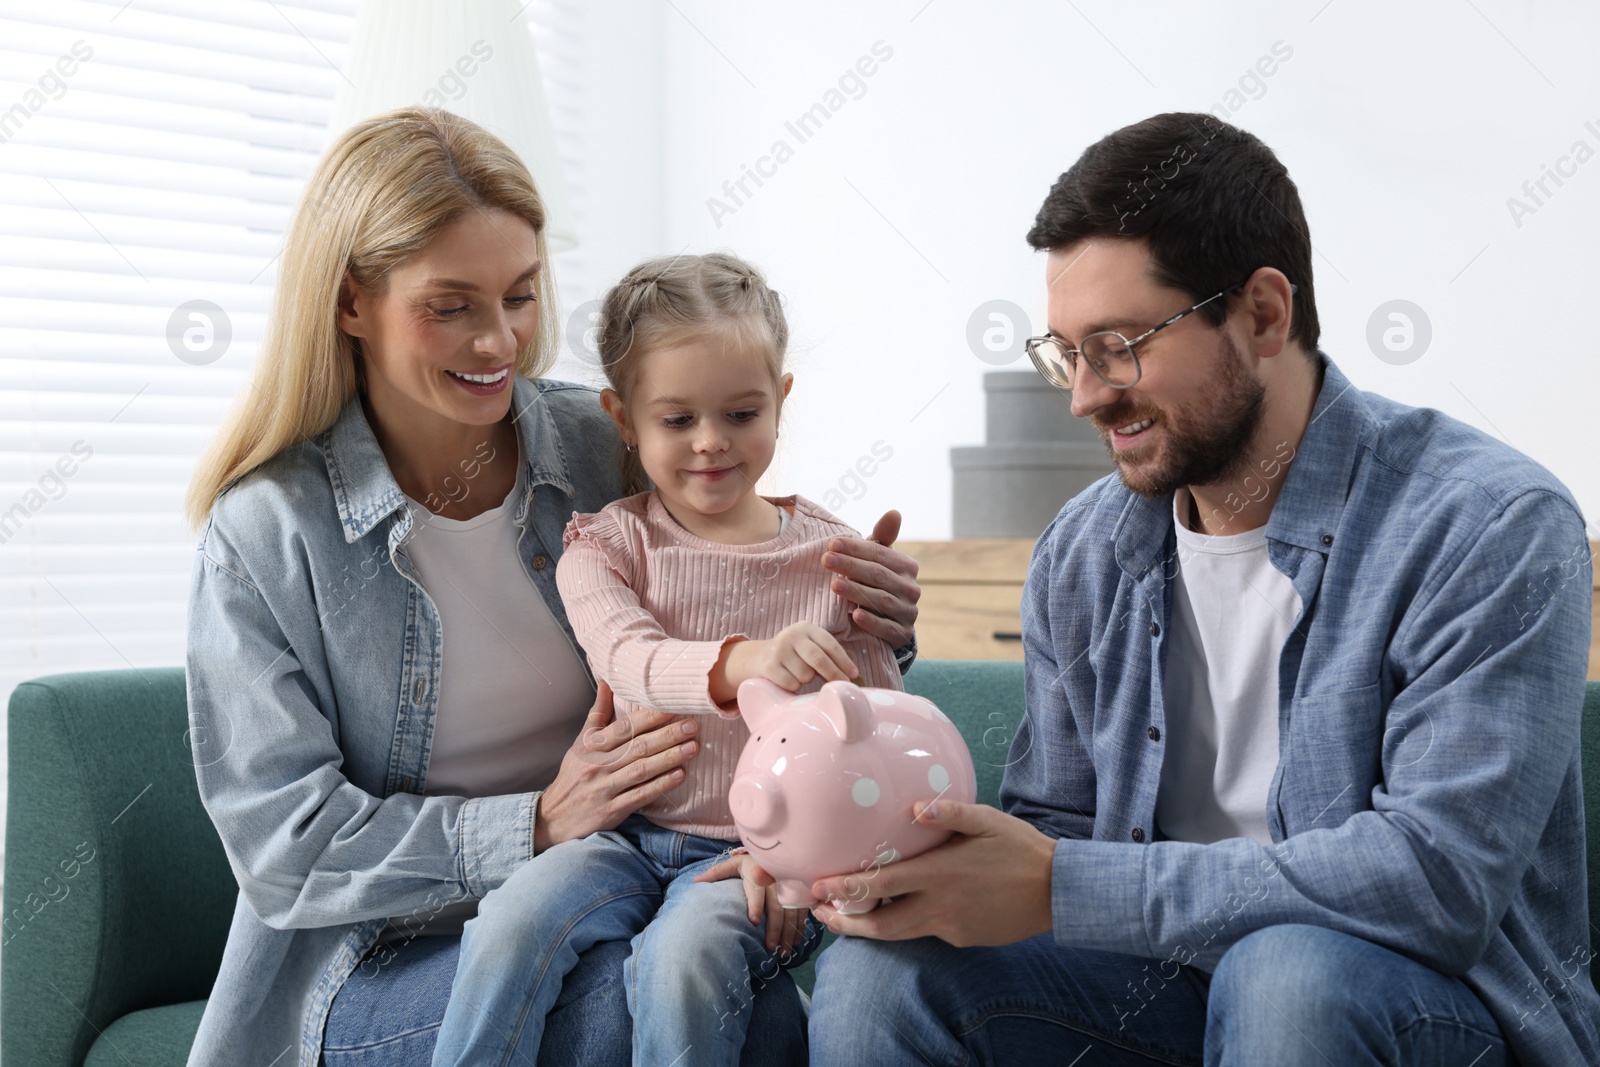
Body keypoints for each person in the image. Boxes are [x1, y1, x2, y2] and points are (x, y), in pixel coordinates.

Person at [806, 112, 1598, 1066]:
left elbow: (1436, 881)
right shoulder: (1083, 551)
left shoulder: (1488, 524)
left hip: (1426, 1005)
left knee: (1288, 976)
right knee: (884, 974)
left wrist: (1065, 884)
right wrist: (868, 851)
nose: (1085, 397)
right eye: (1065, 353)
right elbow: (1052, 829)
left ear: (1263, 314)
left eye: (1117, 345)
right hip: (1157, 990)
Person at [180, 107, 921, 1067]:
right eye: (451, 305)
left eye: (520, 297)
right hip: (381, 953)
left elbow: (745, 617)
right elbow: (288, 845)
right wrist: (532, 823)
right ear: (350, 301)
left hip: (632, 873)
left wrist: (874, 623)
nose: (501, 343)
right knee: (642, 1008)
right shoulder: (265, 534)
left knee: (708, 981)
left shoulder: (597, 444)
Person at [431, 252, 903, 1066]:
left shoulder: (835, 557)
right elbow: (628, 656)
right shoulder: (605, 545)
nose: (712, 442)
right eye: (677, 420)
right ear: (623, 417)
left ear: (781, 402)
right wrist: (746, 662)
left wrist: (796, 860)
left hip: (748, 863)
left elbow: (871, 747)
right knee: (509, 922)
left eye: (742, 412)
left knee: (682, 964)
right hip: (622, 837)